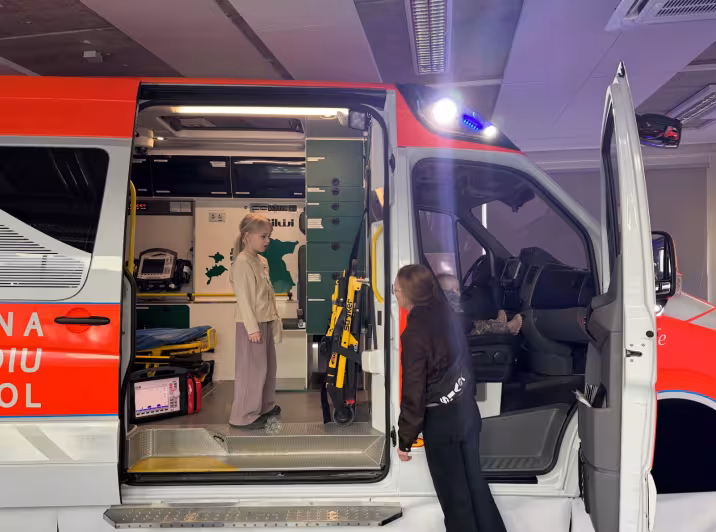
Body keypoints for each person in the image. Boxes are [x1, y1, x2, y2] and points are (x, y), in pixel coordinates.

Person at [395, 265, 507, 532]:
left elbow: (414, 390)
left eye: (396, 290)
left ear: (409, 294)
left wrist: (405, 438)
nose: (395, 295)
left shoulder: (414, 333)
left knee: (455, 499)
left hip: (441, 422)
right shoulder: (449, 314)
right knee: (476, 487)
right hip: (467, 412)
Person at [229, 213, 283, 429]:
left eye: (268, 236)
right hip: (251, 325)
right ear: (247, 236)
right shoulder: (242, 263)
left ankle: (265, 406)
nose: (267, 240)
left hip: (264, 321)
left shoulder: (261, 261)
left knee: (267, 368)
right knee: (251, 371)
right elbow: (243, 299)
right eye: (263, 236)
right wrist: (252, 328)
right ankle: (244, 416)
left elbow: (265, 294)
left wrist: (272, 320)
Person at [436, 273, 522, 337]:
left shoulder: (439, 305)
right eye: (455, 289)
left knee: (479, 324)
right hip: (462, 331)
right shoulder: (450, 298)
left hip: (459, 328)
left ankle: (499, 323)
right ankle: (510, 328)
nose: (458, 293)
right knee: (482, 326)